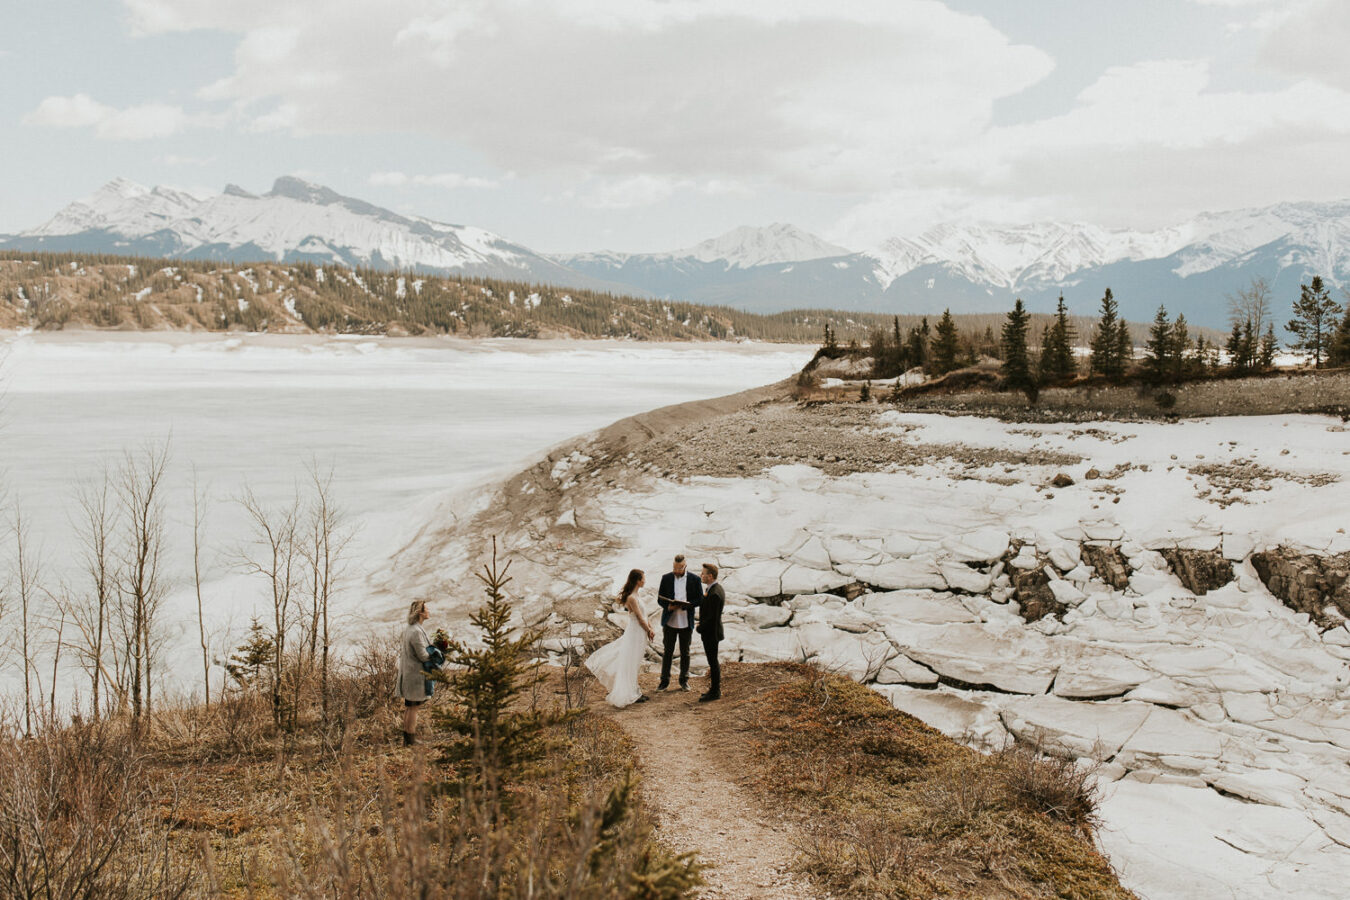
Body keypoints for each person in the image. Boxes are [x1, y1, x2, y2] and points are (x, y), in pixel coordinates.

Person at [586, 569, 656, 707]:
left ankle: (635, 690)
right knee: (630, 661)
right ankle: (629, 692)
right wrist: (649, 631)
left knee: (635, 662)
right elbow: (640, 618)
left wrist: (650, 627)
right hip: (636, 632)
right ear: (637, 580)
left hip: (640, 632)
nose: (645, 581)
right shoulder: (631, 598)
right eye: (643, 578)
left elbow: (645, 616)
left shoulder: (636, 595)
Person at [657, 554, 703, 692]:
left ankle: (684, 681)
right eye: (674, 568)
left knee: (685, 652)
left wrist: (685, 605)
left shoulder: (695, 579)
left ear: (685, 566)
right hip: (669, 621)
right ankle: (664, 681)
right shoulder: (666, 578)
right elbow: (660, 599)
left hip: (686, 621)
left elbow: (700, 599)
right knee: (667, 652)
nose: (676, 571)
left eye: (679, 568)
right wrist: (668, 606)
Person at [397, 599, 436, 746]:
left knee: (410, 707)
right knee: (413, 708)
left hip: (409, 674)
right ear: (420, 612)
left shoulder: (410, 628)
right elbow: (423, 655)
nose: (428, 611)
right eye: (426, 609)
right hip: (415, 675)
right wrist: (437, 651)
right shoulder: (416, 631)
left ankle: (407, 739)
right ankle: (411, 740)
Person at [697, 563, 725, 702]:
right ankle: (714, 689)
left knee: (713, 662)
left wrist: (700, 627)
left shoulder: (714, 593)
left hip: (711, 633)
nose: (701, 576)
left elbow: (711, 617)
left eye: (703, 574)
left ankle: (715, 691)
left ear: (710, 576)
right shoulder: (715, 589)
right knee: (712, 661)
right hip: (712, 631)